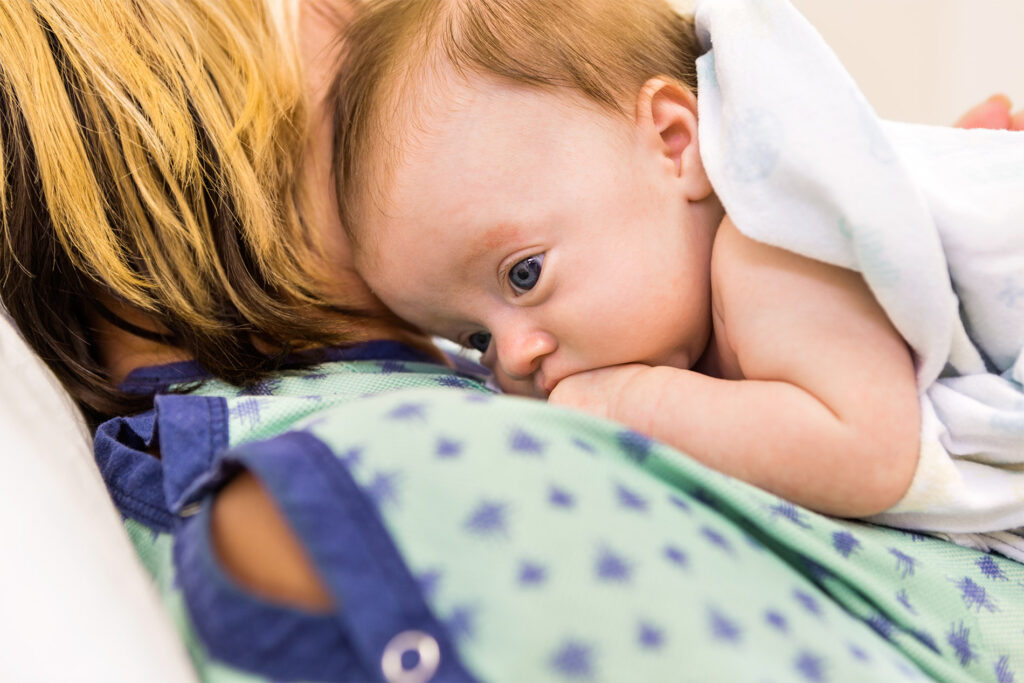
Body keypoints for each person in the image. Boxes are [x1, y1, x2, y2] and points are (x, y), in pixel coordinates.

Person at [2, 0, 1023, 680]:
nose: (520, 358)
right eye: (322, 20)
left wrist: (911, 222)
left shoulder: (731, 264)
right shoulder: (364, 476)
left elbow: (864, 439)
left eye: (522, 274)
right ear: (190, 141)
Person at [333, 0, 1024, 551]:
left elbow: (871, 451)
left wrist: (626, 401)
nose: (512, 355)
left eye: (525, 274)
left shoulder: (765, 249)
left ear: (673, 144)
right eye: (474, 335)